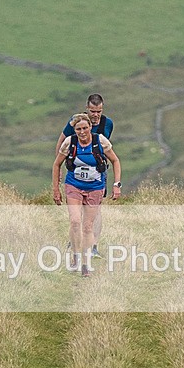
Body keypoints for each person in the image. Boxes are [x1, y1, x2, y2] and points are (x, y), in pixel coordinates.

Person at [52, 113, 122, 277]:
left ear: (90, 127)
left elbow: (115, 161)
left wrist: (116, 184)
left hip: (95, 188)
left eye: (85, 128)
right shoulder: (70, 142)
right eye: (78, 129)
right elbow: (57, 164)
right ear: (74, 130)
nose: (82, 132)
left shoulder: (100, 141)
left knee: (88, 227)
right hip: (74, 186)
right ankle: (75, 256)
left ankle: (85, 264)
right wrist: (56, 189)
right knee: (75, 221)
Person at [55, 94, 114, 258]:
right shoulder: (76, 122)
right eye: (93, 111)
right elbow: (61, 142)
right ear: (87, 109)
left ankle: (93, 245)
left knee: (96, 209)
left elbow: (106, 148)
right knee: (77, 209)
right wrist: (58, 167)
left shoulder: (107, 124)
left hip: (98, 172)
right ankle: (75, 240)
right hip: (76, 170)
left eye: (99, 111)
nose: (96, 115)